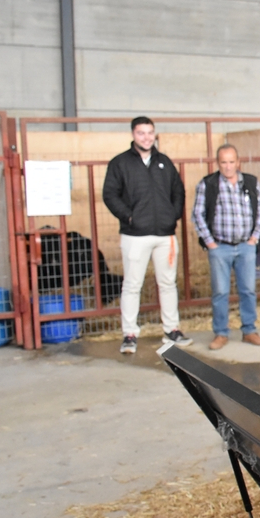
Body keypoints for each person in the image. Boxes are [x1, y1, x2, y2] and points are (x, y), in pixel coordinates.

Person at [102, 116, 192, 355]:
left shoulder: (164, 162)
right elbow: (110, 194)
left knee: (168, 283)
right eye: (141, 133)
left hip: (165, 234)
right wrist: (129, 217)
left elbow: (178, 191)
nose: (146, 137)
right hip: (135, 235)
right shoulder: (120, 163)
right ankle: (130, 333)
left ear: (154, 134)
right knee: (132, 285)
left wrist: (172, 216)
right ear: (133, 134)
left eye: (150, 133)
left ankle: (171, 329)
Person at [192, 144, 260, 350]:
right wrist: (210, 243)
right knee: (220, 291)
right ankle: (221, 333)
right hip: (220, 247)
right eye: (223, 162)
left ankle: (249, 330)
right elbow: (197, 215)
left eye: (231, 162)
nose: (228, 166)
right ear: (218, 163)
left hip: (246, 246)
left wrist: (254, 238)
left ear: (238, 162)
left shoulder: (251, 183)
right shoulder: (208, 184)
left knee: (248, 290)